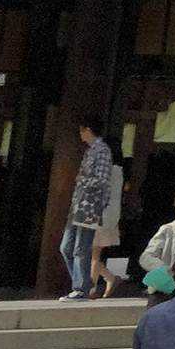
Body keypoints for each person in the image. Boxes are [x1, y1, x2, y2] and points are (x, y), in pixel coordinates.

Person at [62, 118, 114, 301]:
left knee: (80, 247)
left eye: (82, 130)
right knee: (66, 247)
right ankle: (81, 283)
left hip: (90, 204)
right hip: (79, 203)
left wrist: (82, 179)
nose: (81, 135)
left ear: (88, 129)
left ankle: (81, 288)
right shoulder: (91, 151)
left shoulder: (102, 151)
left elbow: (101, 180)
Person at [91, 154, 126, 300]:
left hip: (97, 216)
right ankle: (108, 278)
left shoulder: (106, 171)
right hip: (109, 217)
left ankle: (91, 287)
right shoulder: (118, 171)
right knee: (93, 254)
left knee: (90, 254)